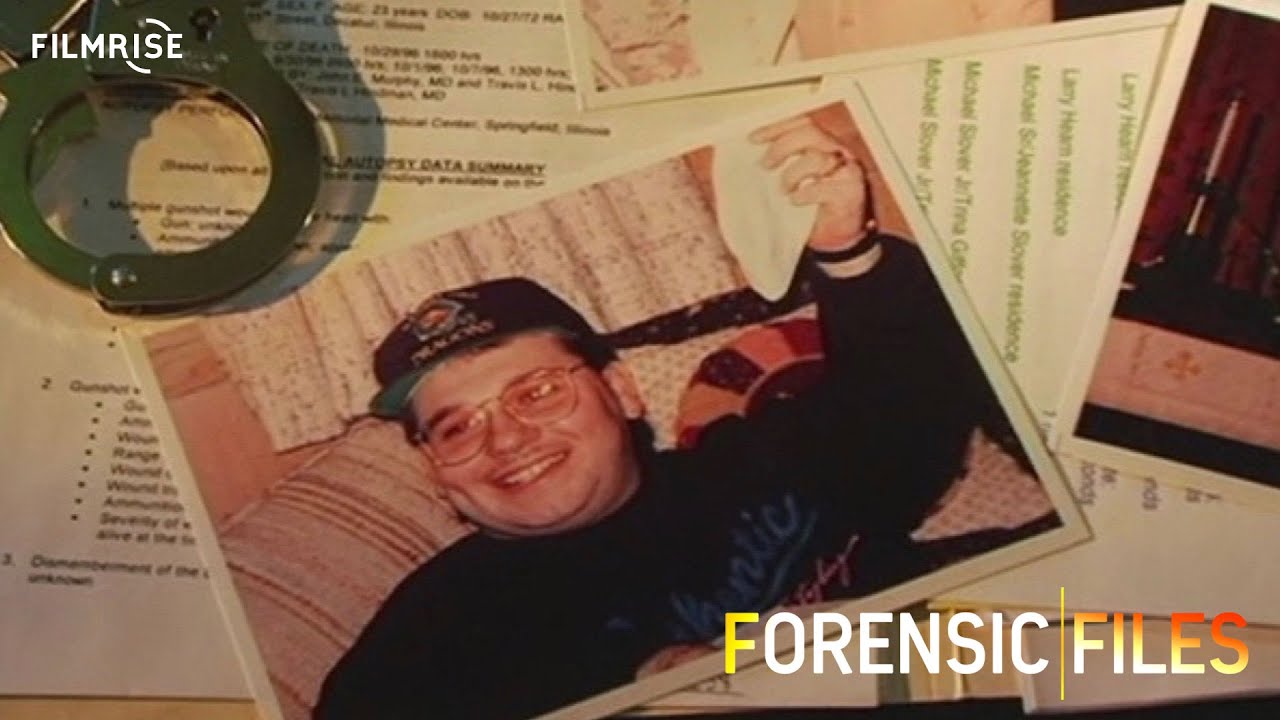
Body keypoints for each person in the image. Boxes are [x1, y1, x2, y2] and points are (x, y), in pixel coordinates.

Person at [313, 116, 996, 719]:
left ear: (622, 391)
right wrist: (634, 684)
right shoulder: (434, 633)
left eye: (537, 391)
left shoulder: (752, 464)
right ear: (433, 467)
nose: (507, 436)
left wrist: (845, 249)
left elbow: (910, 413)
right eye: (457, 426)